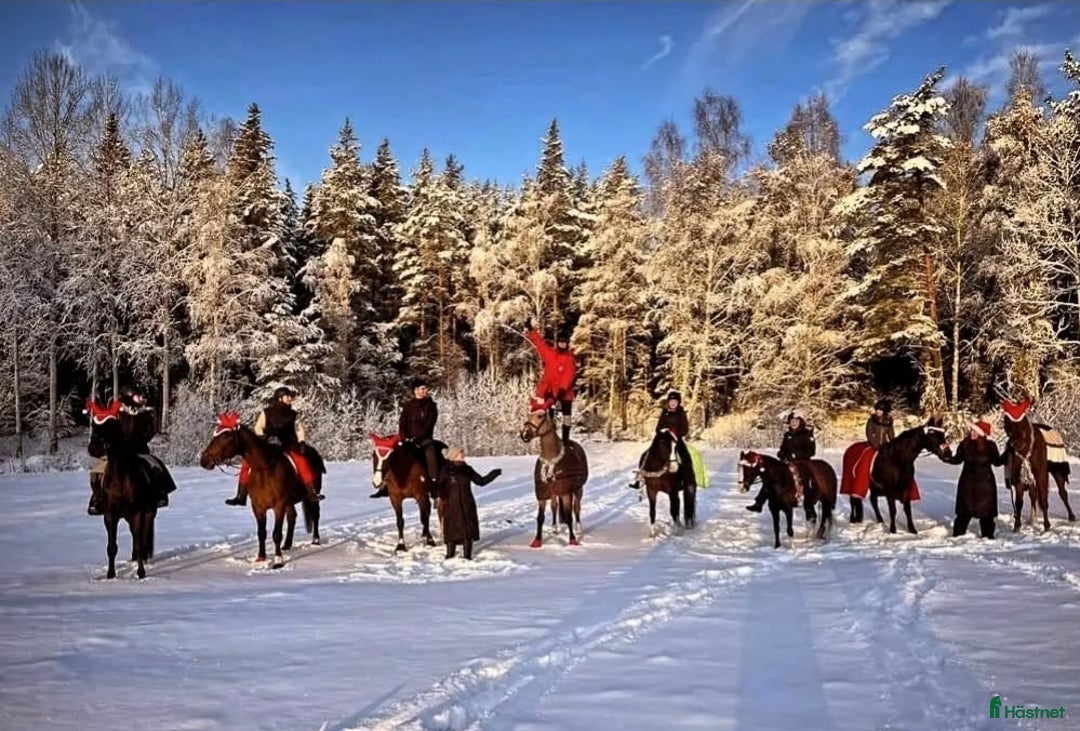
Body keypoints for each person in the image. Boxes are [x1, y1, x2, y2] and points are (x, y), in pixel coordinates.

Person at [225, 385, 324, 506]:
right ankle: (241, 495)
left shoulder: (294, 415)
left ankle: (311, 492)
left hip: (288, 445)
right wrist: (264, 437)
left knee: (301, 461)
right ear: (280, 398)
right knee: (247, 463)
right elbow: (258, 427)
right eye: (287, 396)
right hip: (268, 445)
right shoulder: (266, 413)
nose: (290, 399)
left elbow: (299, 429)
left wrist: (301, 441)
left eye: (289, 397)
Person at [371, 376, 439, 498]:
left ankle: (433, 484)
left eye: (426, 389)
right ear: (415, 390)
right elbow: (402, 422)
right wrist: (404, 437)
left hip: (424, 440)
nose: (425, 391)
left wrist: (418, 438)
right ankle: (385, 485)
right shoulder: (408, 406)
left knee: (431, 453)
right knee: (391, 455)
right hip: (407, 440)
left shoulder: (431, 406)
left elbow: (429, 424)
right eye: (422, 389)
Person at [937, 419, 1006, 539]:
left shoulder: (990, 446)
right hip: (967, 486)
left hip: (985, 486)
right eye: (972, 430)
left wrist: (1009, 452)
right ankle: (957, 537)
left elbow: (997, 462)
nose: (972, 433)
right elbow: (956, 460)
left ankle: (988, 537)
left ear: (982, 433)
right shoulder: (965, 444)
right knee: (963, 514)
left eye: (975, 431)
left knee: (987, 516)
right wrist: (946, 453)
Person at [117, 385, 176, 509]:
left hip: (139, 450)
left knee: (157, 466)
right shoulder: (118, 414)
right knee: (99, 469)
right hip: (119, 452)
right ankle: (97, 498)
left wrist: (141, 437)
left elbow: (149, 432)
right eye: (137, 396)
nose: (141, 399)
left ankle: (161, 493)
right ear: (129, 397)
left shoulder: (144, 414)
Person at [438, 447, 502, 559]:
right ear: (454, 455)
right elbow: (439, 486)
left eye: (462, 453)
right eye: (460, 453)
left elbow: (481, 481)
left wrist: (493, 474)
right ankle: (449, 554)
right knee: (451, 530)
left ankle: (467, 555)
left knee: (467, 530)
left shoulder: (468, 469)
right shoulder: (445, 469)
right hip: (450, 504)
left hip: (466, 503)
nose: (463, 455)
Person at [747, 409, 816, 512]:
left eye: (796, 421)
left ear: (800, 422)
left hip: (802, 463)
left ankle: (809, 507)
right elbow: (783, 448)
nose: (794, 423)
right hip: (787, 462)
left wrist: (797, 455)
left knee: (804, 480)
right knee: (771, 477)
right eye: (792, 421)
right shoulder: (787, 435)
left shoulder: (806, 434)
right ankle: (759, 502)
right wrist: (781, 454)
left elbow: (811, 451)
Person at [628, 391, 696, 491]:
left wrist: (675, 432)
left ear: (678, 402)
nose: (673, 403)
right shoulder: (664, 412)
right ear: (668, 402)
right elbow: (658, 427)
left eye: (675, 401)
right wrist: (662, 430)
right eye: (671, 401)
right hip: (662, 438)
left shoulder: (681, 413)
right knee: (646, 454)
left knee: (685, 456)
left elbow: (685, 429)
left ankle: (688, 481)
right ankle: (640, 479)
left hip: (676, 439)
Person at [525, 320, 577, 443]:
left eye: (565, 343)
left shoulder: (569, 358)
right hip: (550, 391)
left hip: (564, 392)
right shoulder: (550, 354)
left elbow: (569, 374)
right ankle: (550, 438)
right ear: (557, 343)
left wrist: (563, 389)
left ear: (567, 344)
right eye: (561, 342)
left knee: (567, 416)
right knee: (547, 415)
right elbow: (540, 344)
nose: (562, 345)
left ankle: (565, 440)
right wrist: (531, 330)